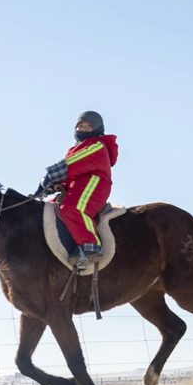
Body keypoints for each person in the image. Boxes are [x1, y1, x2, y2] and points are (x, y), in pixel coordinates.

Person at [33, 111, 119, 269]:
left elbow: (72, 165)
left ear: (97, 129)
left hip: (94, 184)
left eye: (88, 126)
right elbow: (70, 172)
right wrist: (52, 186)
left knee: (73, 208)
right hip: (76, 186)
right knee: (49, 209)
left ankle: (90, 245)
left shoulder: (96, 145)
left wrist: (49, 177)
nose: (84, 129)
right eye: (80, 126)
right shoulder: (76, 148)